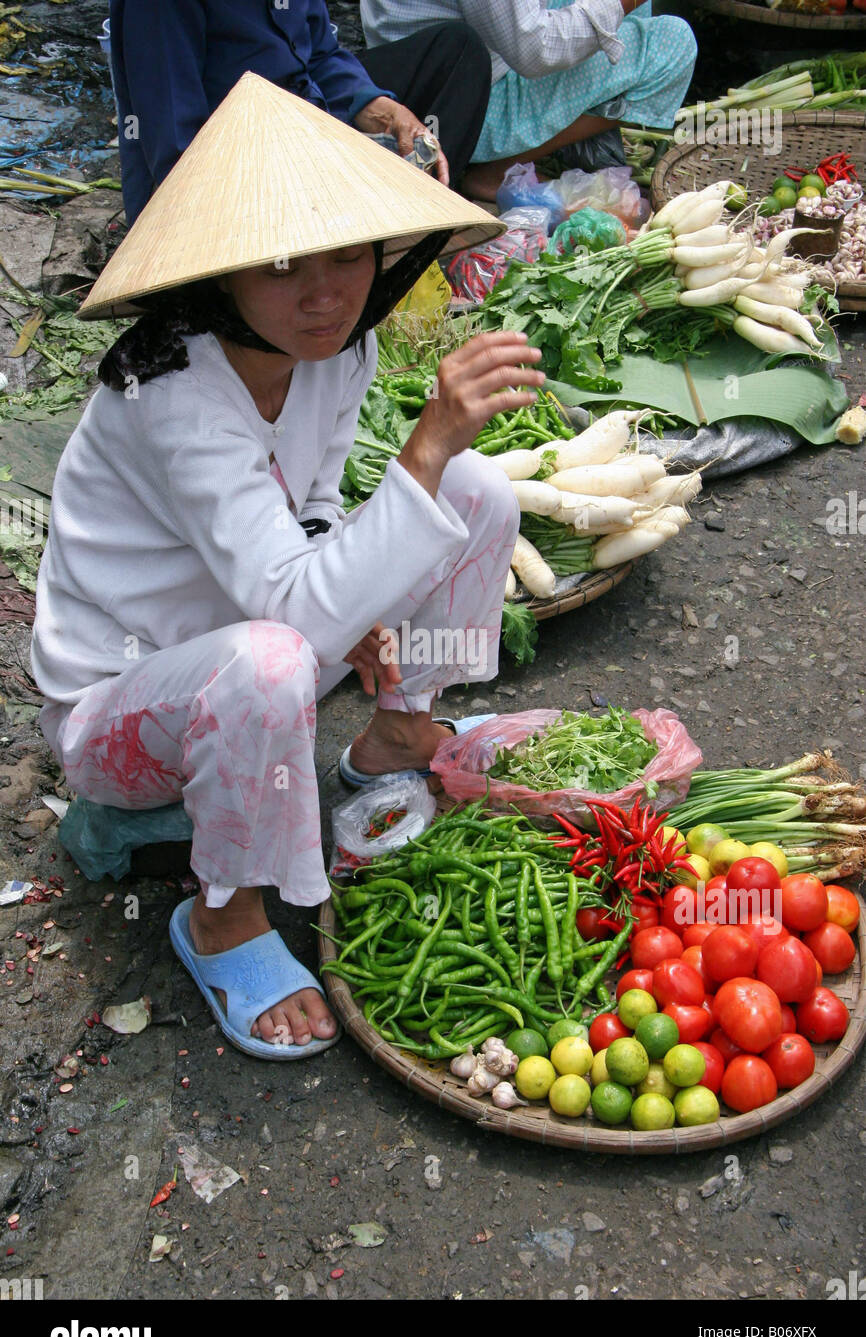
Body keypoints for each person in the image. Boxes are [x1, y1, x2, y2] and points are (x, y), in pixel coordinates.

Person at [31, 75, 533, 1062]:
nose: (323, 292)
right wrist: (421, 446)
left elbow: (310, 506)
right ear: (220, 277)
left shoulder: (332, 352)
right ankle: (222, 916)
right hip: (126, 708)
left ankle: (398, 735)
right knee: (272, 653)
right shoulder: (173, 395)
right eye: (280, 264)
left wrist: (366, 601)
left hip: (259, 636)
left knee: (480, 497)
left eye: (347, 254)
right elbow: (290, 624)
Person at [109, 0, 492, 223]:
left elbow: (319, 54)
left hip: (303, 120)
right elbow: (177, 148)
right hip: (232, 171)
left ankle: (423, 226)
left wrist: (380, 109)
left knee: (458, 50)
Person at [361, 0, 697, 202]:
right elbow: (538, 49)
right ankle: (497, 169)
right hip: (462, 105)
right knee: (674, 43)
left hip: (414, 66)